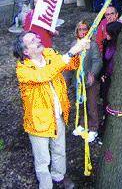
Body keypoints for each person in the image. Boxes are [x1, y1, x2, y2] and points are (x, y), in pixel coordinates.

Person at [13, 31, 90, 189]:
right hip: (38, 122)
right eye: (33, 40)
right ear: (26, 51)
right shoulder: (22, 70)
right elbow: (45, 75)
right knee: (42, 160)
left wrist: (80, 50)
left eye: (36, 37)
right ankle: (46, 185)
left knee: (59, 150)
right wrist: (71, 52)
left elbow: (69, 64)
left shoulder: (49, 53)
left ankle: (59, 177)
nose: (38, 39)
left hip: (58, 115)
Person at [71, 20, 102, 142]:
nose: (83, 31)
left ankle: (94, 128)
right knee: (80, 103)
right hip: (78, 81)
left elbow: (97, 61)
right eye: (80, 29)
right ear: (77, 31)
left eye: (85, 29)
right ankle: (83, 124)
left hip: (89, 81)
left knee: (91, 104)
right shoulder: (74, 44)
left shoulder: (92, 45)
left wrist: (92, 73)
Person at [99, 21, 122, 135]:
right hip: (106, 77)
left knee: (110, 102)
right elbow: (105, 60)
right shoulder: (107, 43)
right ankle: (104, 123)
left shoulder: (119, 47)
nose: (105, 35)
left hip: (113, 79)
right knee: (105, 101)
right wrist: (103, 74)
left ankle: (107, 128)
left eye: (108, 33)